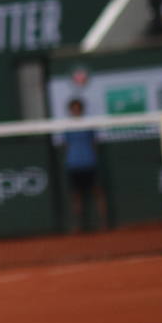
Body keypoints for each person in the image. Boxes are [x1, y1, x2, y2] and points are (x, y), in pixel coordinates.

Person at [61, 99, 107, 232]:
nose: (76, 111)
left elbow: (94, 141)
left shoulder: (89, 124)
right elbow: (66, 144)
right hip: (74, 165)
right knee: (76, 195)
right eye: (73, 109)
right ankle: (78, 226)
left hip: (89, 163)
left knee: (98, 192)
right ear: (70, 111)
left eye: (78, 108)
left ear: (81, 109)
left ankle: (103, 223)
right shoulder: (67, 126)